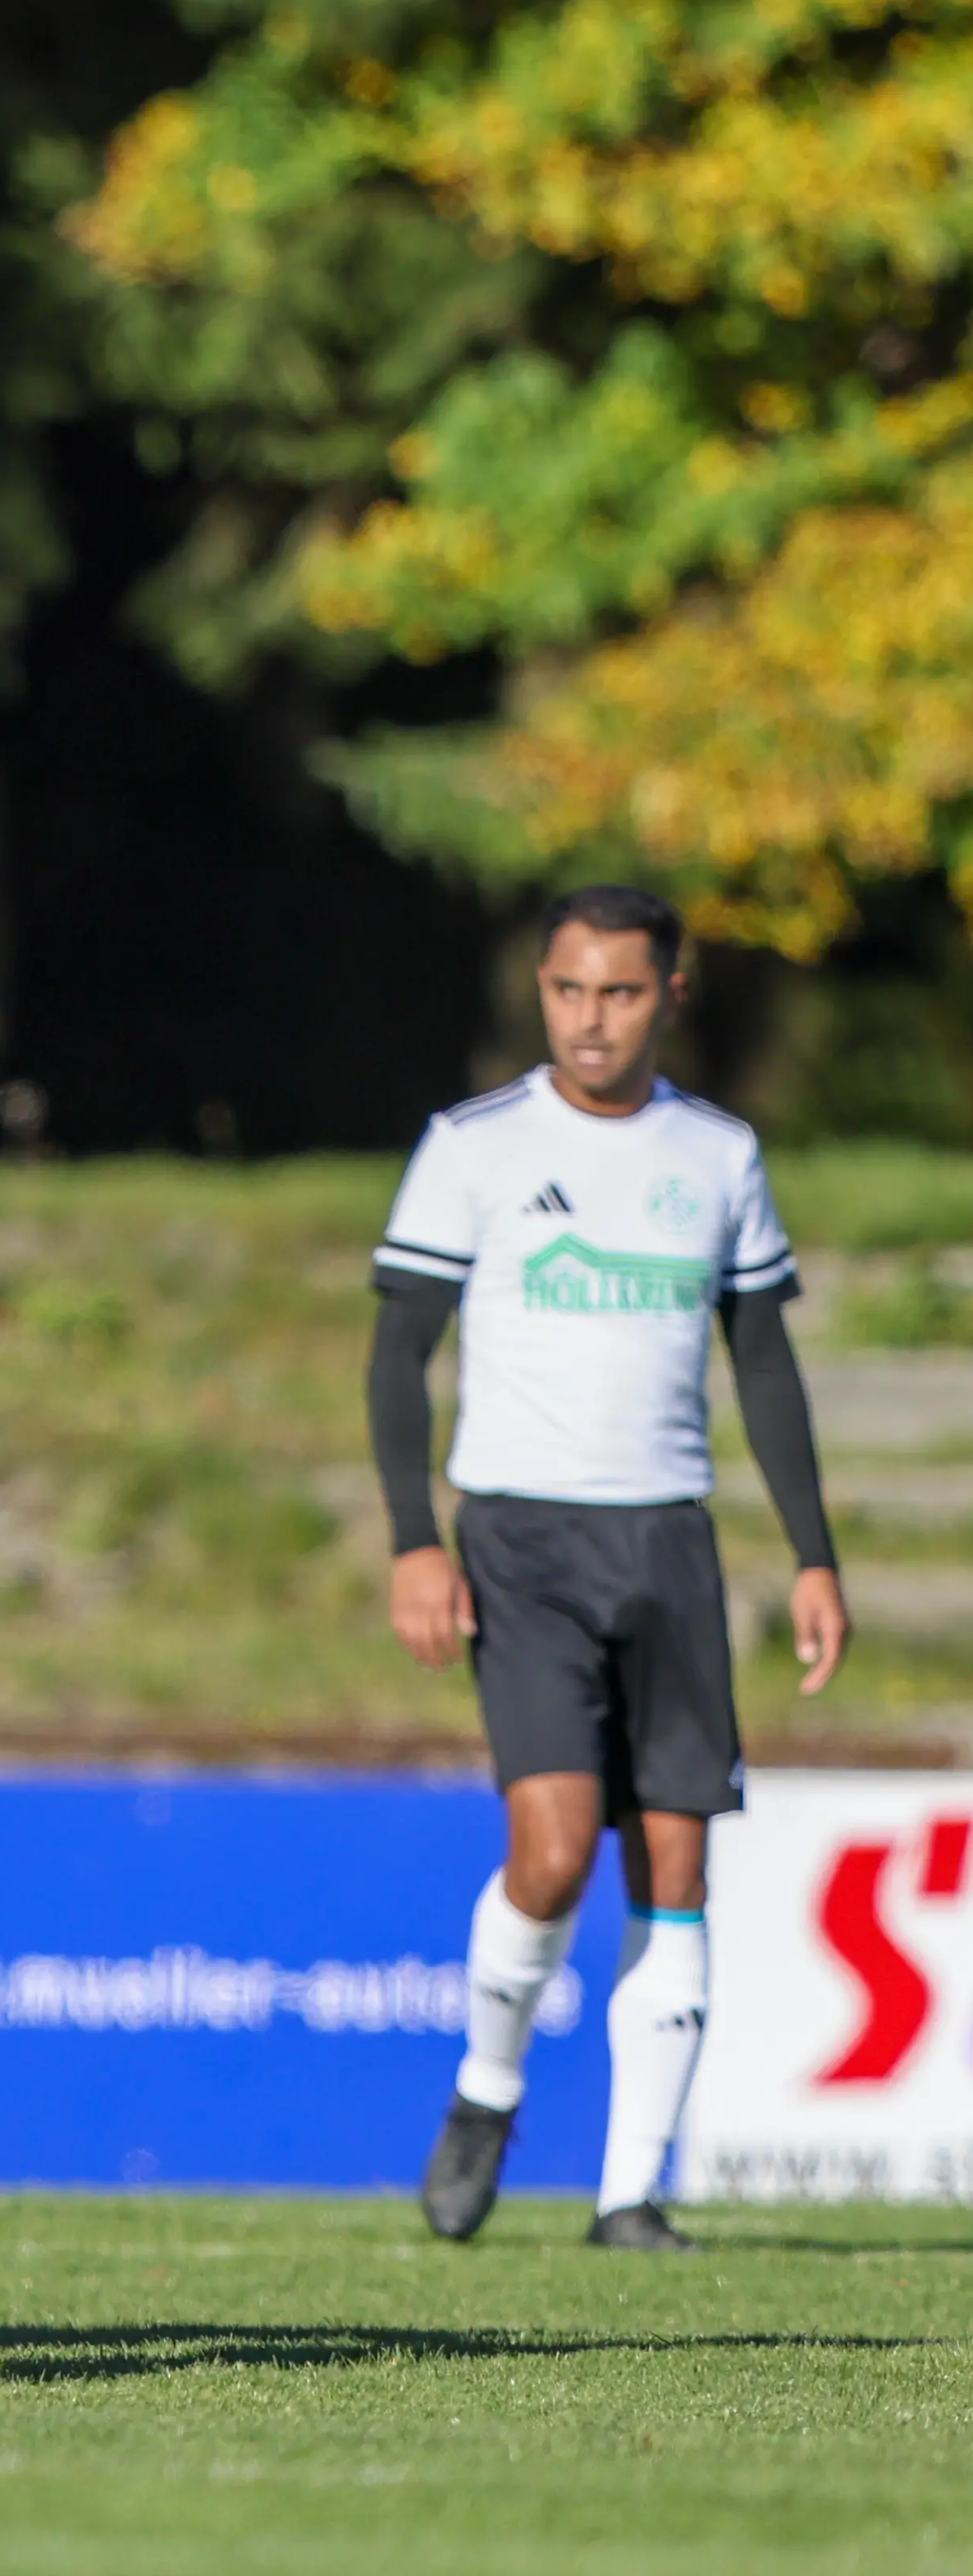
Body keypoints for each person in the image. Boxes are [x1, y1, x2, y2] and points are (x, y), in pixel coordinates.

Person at [375, 883, 847, 2253]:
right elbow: (397, 1355)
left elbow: (761, 1357)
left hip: (668, 1539)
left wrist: (812, 1555)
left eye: (621, 992)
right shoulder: (472, 1147)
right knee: (554, 1845)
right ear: (542, 990)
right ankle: (487, 2087)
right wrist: (415, 1536)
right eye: (569, 990)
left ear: (670, 996)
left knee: (679, 1852)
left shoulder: (716, 1154)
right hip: (521, 1536)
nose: (591, 1019)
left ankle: (630, 2194)